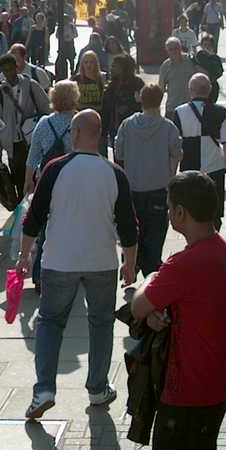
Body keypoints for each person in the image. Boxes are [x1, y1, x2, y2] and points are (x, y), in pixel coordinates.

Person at [16, 109, 138, 419]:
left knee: (50, 322)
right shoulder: (114, 173)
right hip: (102, 261)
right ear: (99, 134)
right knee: (101, 323)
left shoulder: (56, 168)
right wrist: (130, 263)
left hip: (59, 260)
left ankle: (44, 389)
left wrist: (24, 255)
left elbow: (34, 217)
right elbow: (128, 225)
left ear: (75, 133)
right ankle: (97, 388)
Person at [130, 171, 226, 450]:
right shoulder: (224, 250)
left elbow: (138, 306)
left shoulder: (183, 263)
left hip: (187, 391)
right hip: (218, 382)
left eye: (169, 208)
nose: (168, 214)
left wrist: (150, 278)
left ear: (180, 212)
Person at [114, 84, 182, 276]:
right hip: (159, 189)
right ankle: (151, 271)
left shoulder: (127, 125)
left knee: (133, 231)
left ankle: (132, 264)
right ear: (160, 100)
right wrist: (171, 175)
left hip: (133, 188)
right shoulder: (168, 127)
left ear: (140, 99)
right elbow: (176, 153)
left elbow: (119, 153)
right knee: (155, 234)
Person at [23, 81, 79, 289]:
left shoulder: (44, 123)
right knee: (73, 225)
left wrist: (28, 180)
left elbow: (33, 156)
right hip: (73, 180)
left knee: (45, 229)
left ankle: (39, 275)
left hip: (47, 179)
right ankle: (71, 271)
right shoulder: (79, 122)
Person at [173, 74, 226, 230]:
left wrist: (172, 176)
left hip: (189, 171)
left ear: (190, 90)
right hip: (215, 171)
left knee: (190, 215)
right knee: (214, 215)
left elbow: (175, 150)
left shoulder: (179, 112)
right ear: (209, 90)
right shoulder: (221, 112)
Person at [0, 54, 50, 200]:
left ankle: (35, 207)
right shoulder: (0, 91)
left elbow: (46, 107)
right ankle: (22, 210)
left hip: (32, 139)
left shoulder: (30, 85)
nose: (9, 74)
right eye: (5, 71)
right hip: (13, 143)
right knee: (19, 181)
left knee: (35, 179)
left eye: (11, 69)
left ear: (16, 67)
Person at [102, 52, 144, 151]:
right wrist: (104, 131)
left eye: (114, 66)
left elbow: (144, 104)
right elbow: (106, 109)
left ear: (124, 68)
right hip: (115, 128)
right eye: (111, 66)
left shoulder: (137, 83)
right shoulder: (111, 86)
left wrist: (128, 107)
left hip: (134, 128)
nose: (111, 69)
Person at [158, 37, 197, 120]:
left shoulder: (190, 61)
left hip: (190, 107)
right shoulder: (165, 66)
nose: (174, 51)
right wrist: (157, 108)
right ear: (167, 51)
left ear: (180, 48)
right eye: (170, 49)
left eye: (176, 48)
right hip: (172, 109)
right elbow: (161, 89)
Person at [193, 33, 224, 103]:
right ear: (201, 45)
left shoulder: (215, 58)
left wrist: (211, 56)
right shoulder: (198, 56)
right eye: (205, 45)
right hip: (198, 86)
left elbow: (219, 72)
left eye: (209, 45)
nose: (207, 47)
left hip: (212, 86)